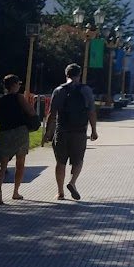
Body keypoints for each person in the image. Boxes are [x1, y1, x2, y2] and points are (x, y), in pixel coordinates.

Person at [45, 63, 97, 201]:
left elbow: (51, 114)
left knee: (60, 162)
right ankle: (72, 182)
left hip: (62, 131)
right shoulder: (86, 91)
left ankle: (60, 192)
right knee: (78, 160)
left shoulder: (58, 90)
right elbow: (91, 112)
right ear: (79, 75)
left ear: (66, 74)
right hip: (79, 131)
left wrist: (47, 133)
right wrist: (94, 131)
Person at [0, 74, 35, 205]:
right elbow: (31, 113)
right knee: (20, 163)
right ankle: (15, 192)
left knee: (2, 165)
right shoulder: (19, 97)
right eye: (18, 84)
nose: (19, 86)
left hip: (4, 133)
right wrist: (30, 102)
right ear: (14, 85)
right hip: (20, 132)